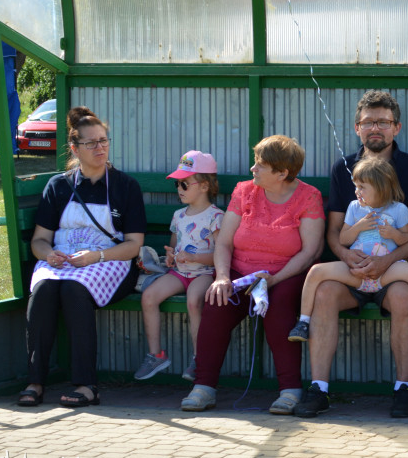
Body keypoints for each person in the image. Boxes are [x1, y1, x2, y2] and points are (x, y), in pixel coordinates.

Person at [295, 91, 408, 419]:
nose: (376, 128)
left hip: (395, 268)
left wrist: (387, 260)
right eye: (369, 122)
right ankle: (319, 388)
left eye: (383, 122)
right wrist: (346, 256)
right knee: (326, 292)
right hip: (353, 269)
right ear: (357, 127)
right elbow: (333, 232)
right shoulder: (343, 169)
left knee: (403, 297)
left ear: (396, 127)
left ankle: (404, 389)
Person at [180, 135, 324, 414]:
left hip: (286, 274)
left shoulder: (308, 197)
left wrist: (275, 280)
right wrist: (222, 277)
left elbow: (309, 252)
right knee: (216, 301)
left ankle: (290, 390)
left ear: (282, 173)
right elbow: (223, 243)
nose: (252, 169)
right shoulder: (244, 191)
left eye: (260, 165)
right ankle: (204, 387)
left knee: (279, 307)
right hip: (240, 271)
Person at [18, 106, 146, 407]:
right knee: (45, 289)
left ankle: (87, 385)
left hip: (111, 262)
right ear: (75, 148)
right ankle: (35, 381)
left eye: (104, 140)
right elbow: (39, 240)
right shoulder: (59, 186)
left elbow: (133, 245)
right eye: (91, 143)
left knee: (75, 291)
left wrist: (96, 256)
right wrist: (49, 255)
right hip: (62, 263)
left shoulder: (125, 186)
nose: (100, 147)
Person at [288, 157, 408, 344]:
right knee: (315, 272)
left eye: (362, 187)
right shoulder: (354, 208)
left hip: (387, 271)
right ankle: (304, 322)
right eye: (356, 186)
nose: (357, 192)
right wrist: (358, 227)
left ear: (381, 187)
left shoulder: (399, 210)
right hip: (356, 272)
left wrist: (394, 234)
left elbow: (407, 239)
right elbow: (343, 239)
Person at [135, 150, 224, 382]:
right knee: (149, 296)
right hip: (180, 273)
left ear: (204, 186)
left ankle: (199, 358)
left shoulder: (216, 216)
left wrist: (195, 258)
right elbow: (174, 248)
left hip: (205, 273)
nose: (179, 190)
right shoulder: (178, 216)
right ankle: (156, 355)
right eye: (177, 184)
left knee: (194, 301)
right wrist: (170, 257)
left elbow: (221, 255)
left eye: (184, 184)